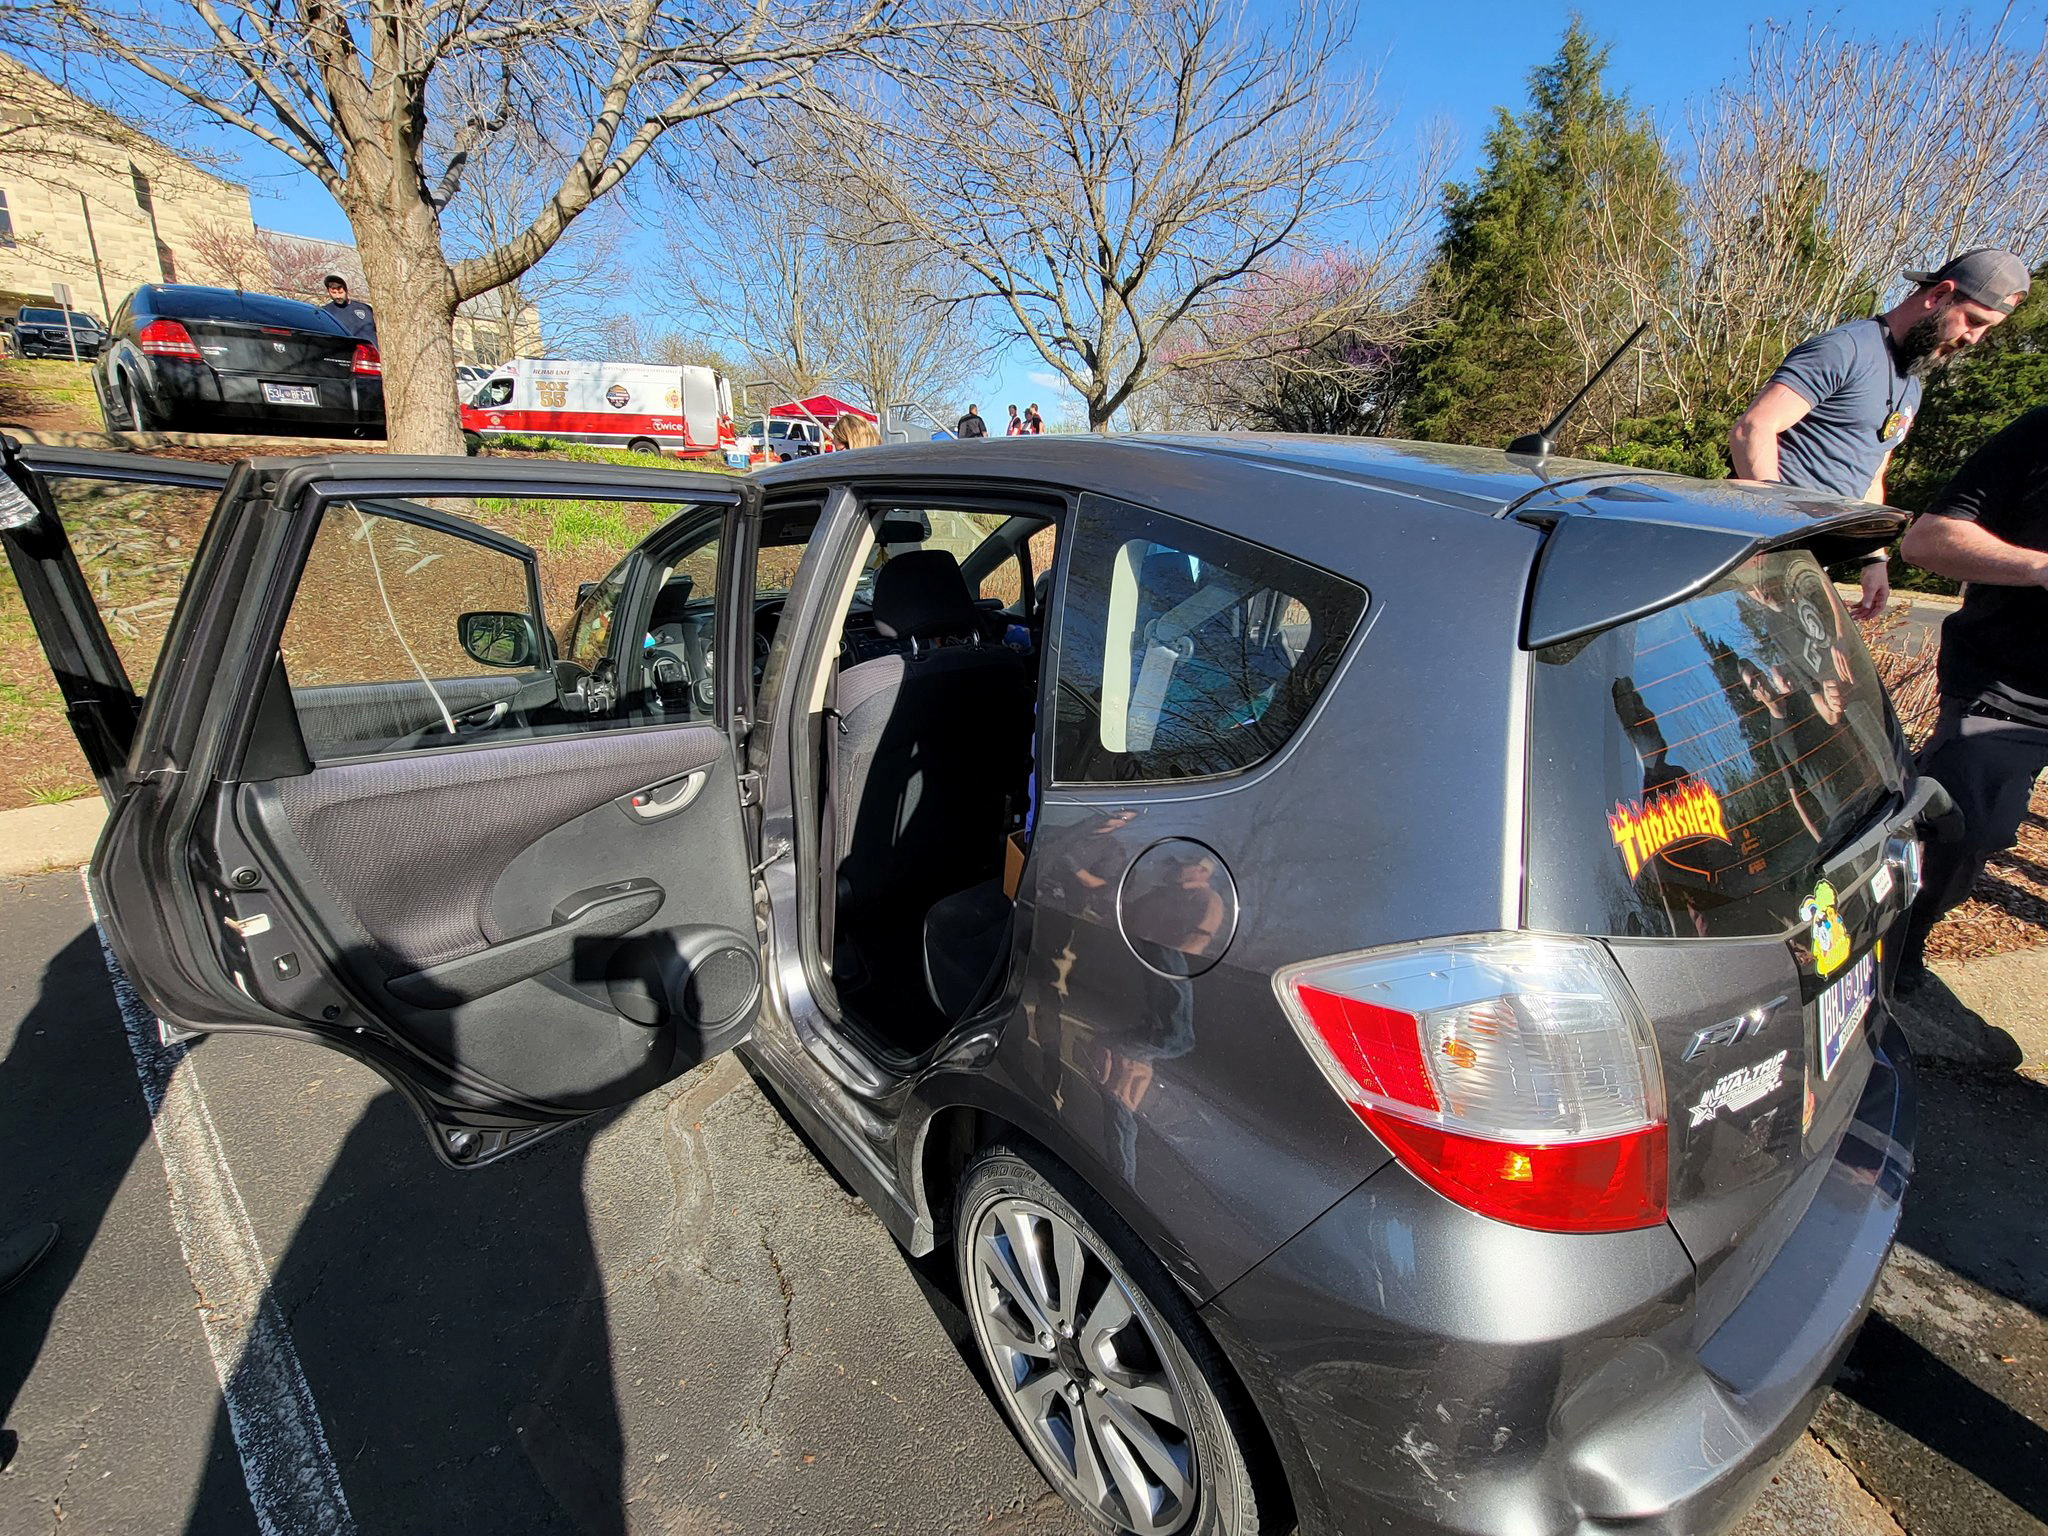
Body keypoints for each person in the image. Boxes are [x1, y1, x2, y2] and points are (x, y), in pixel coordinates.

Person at [1730, 248, 2030, 620]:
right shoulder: (1847, 348)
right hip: (1755, 555)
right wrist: (1773, 539)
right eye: (1972, 320)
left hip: (1807, 560)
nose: (1974, 338)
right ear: (1938, 295)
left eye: (1987, 329)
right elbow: (1753, 429)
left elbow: (1872, 474)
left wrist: (1874, 559)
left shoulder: (1911, 385)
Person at [1893, 405, 2048, 988]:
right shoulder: (2037, 436)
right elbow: (1929, 542)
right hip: (2009, 686)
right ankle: (1897, 947)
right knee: (1962, 831)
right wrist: (2037, 567)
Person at [320, 275, 378, 343]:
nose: (338, 296)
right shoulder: (326, 312)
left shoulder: (365, 309)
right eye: (334, 293)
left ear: (346, 290)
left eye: (340, 292)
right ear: (329, 292)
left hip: (374, 351)